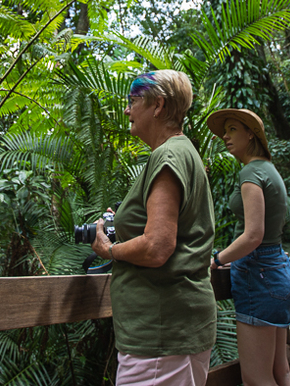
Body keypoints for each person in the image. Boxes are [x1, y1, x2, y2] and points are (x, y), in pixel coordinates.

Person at [90, 70, 216, 386]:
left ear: (158, 105)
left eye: (133, 101)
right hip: (179, 328)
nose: (126, 110)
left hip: (160, 334)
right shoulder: (184, 152)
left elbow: (157, 246)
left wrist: (110, 249)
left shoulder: (168, 155)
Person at [206, 108, 290, 386]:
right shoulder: (269, 169)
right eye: (225, 131)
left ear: (251, 134)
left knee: (257, 379)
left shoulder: (250, 173)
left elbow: (253, 235)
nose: (225, 136)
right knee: (280, 372)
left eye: (233, 129)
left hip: (258, 276)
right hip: (277, 270)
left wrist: (218, 259)